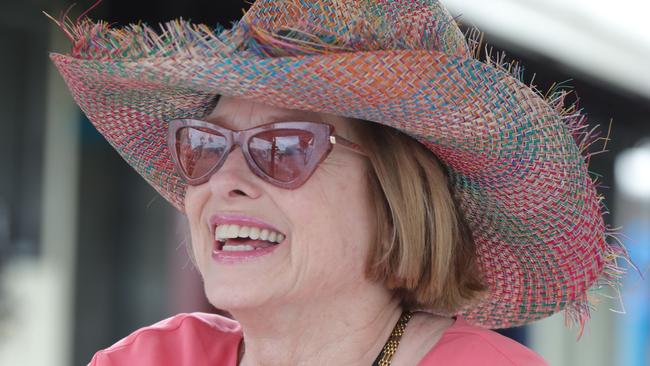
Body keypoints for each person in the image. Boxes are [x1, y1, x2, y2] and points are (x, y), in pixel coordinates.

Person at [48, 0, 627, 364]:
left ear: (397, 198)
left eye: (283, 148)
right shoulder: (150, 359)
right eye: (205, 145)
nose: (226, 179)